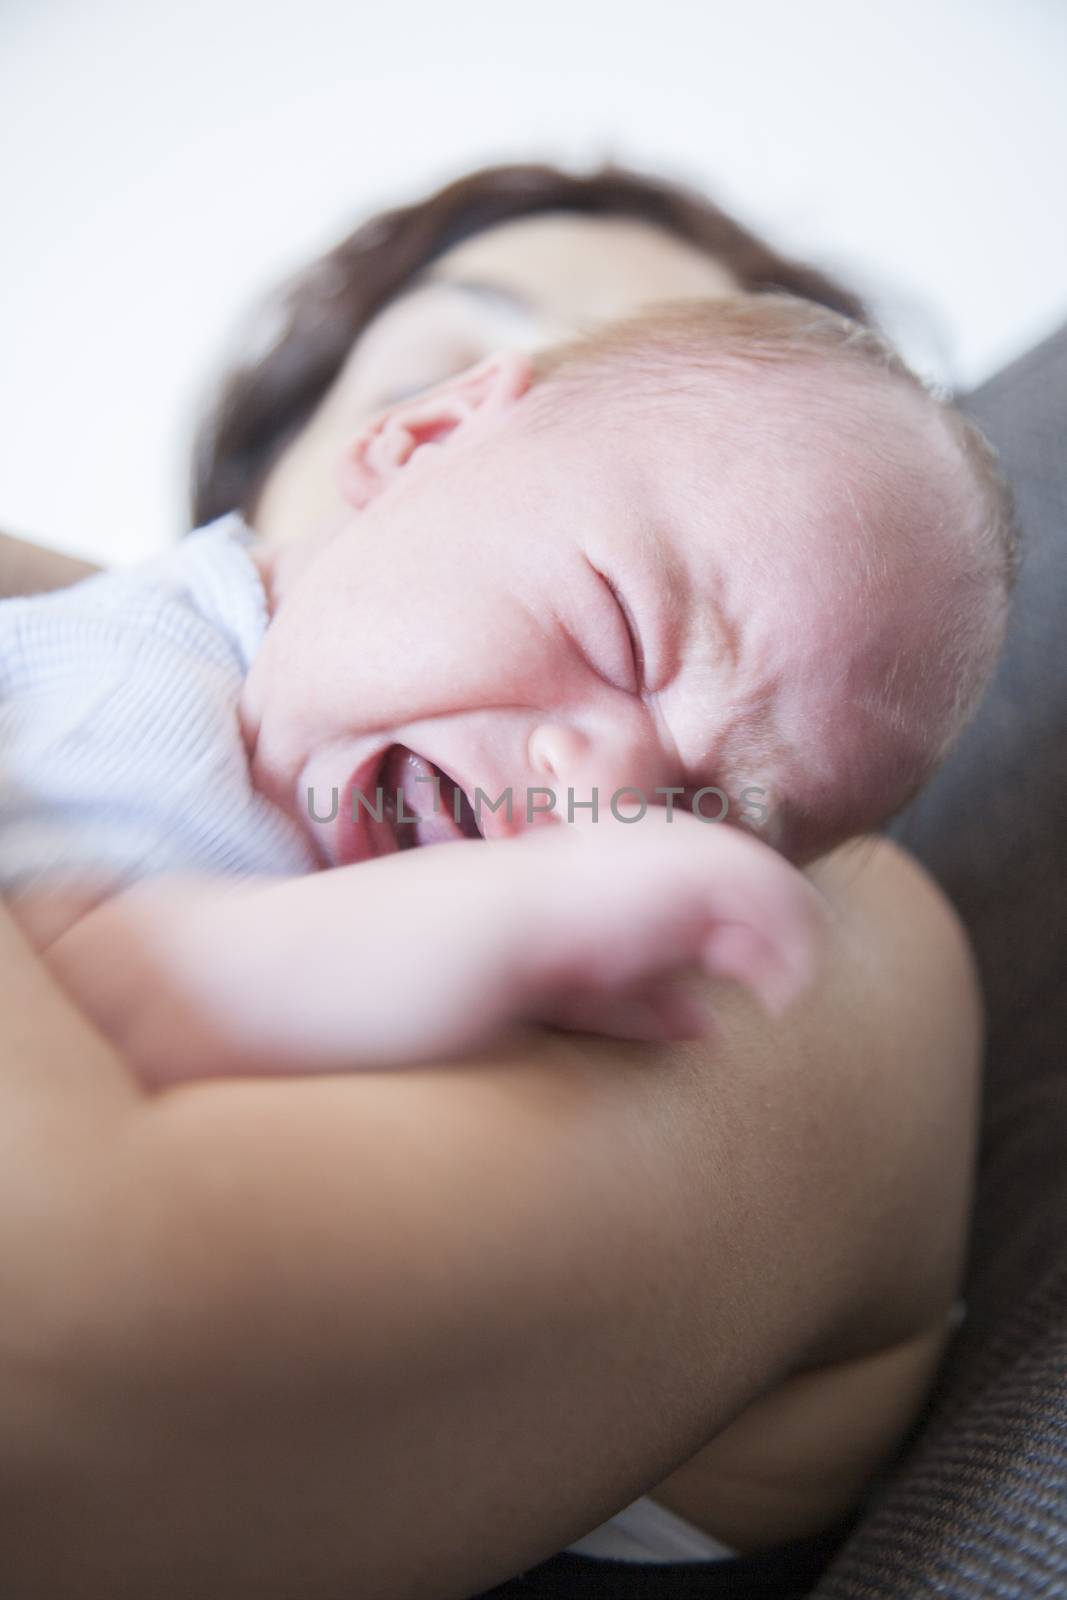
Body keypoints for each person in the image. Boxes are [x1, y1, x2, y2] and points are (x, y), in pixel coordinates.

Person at [0, 164, 987, 1598]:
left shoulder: (811, 923)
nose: (616, 788)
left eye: (715, 805)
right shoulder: (118, 661)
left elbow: (48, 1366)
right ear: (416, 436)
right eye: (473, 340)